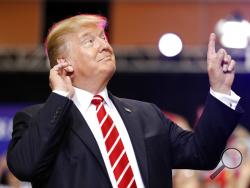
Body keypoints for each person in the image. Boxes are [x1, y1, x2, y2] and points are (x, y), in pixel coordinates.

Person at [7, 14, 242, 188]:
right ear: (63, 61)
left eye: (103, 37)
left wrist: (220, 90)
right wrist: (59, 96)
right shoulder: (37, 119)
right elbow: (25, 167)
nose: (104, 45)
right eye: (90, 41)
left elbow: (201, 152)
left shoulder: (146, 114)